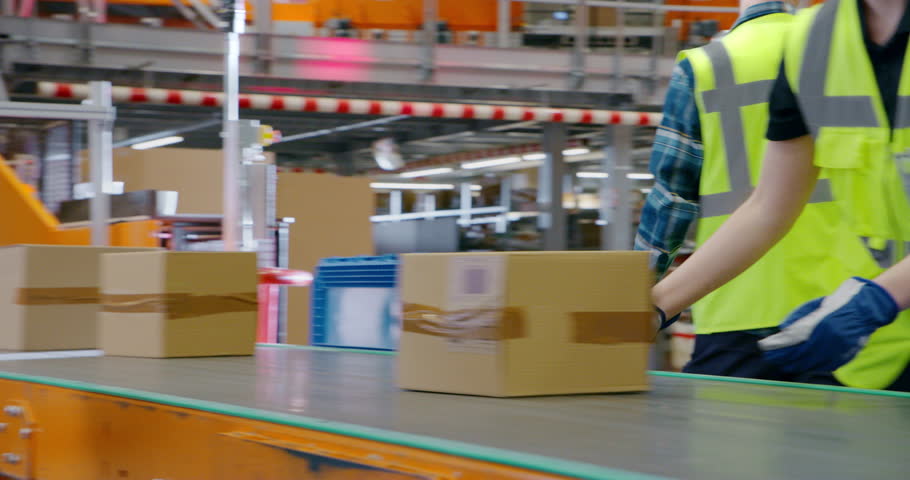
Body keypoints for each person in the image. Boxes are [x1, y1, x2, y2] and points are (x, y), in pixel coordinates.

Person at [652, 0, 910, 391]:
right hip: (881, 347)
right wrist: (653, 308)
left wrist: (880, 298)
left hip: (881, 311)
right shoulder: (815, 38)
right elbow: (769, 207)